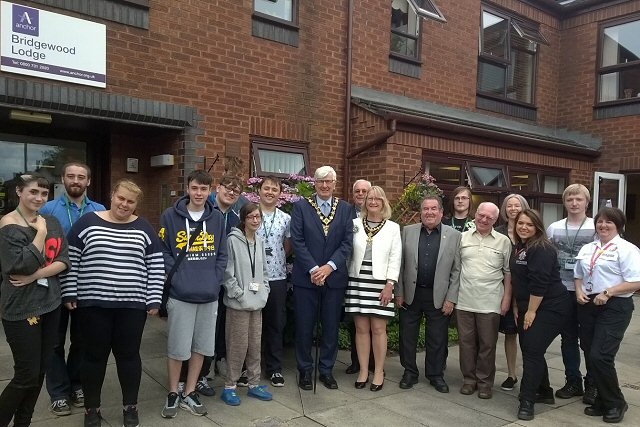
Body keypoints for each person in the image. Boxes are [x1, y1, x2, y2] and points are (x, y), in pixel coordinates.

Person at [61, 179, 165, 427]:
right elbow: (70, 258)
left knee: (129, 357)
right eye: (121, 198)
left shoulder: (144, 228)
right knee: (93, 358)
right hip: (93, 306)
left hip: (131, 307)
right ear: (112, 195)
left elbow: (156, 266)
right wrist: (69, 292)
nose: (124, 204)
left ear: (136, 204)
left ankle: (130, 407)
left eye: (130, 201)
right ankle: (91, 409)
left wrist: (153, 299)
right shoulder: (87, 222)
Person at [0, 174, 70, 427]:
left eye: (44, 193)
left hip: (50, 304)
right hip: (20, 308)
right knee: (26, 374)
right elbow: (19, 265)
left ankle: (23, 423)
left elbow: (64, 260)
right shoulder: (7, 226)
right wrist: (40, 233)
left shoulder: (52, 221)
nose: (39, 198)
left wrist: (37, 275)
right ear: (19, 191)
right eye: (33, 192)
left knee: (39, 372)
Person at [159, 170, 228, 419]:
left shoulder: (217, 218)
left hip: (208, 295)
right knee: (178, 348)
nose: (199, 193)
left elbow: (222, 254)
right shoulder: (170, 216)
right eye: (195, 188)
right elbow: (163, 251)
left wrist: (214, 280)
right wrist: (176, 277)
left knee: (201, 347)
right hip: (180, 294)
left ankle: (189, 391)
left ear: (210, 191)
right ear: (187, 188)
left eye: (204, 189)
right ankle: (173, 392)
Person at [40, 162, 105, 416]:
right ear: (63, 179)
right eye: (71, 176)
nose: (75, 180)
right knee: (54, 341)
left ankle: (77, 384)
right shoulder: (48, 209)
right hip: (54, 286)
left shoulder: (100, 210)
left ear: (88, 181)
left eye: (81, 177)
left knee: (82, 341)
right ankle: (58, 391)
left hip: (87, 285)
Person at [575, 207, 640, 424]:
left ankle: (616, 403)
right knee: (589, 351)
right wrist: (578, 291)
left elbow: (636, 281)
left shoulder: (627, 249)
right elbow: (578, 274)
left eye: (609, 222)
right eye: (600, 222)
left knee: (600, 355)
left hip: (615, 306)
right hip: (589, 305)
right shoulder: (588, 248)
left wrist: (608, 292)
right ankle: (603, 400)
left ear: (619, 225)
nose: (603, 225)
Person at [291, 165, 353, 390]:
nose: (325, 185)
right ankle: (305, 370)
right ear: (314, 184)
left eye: (328, 182)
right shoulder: (301, 207)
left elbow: (347, 243)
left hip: (334, 278)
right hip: (305, 279)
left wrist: (329, 267)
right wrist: (314, 269)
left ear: (335, 184)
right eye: (320, 182)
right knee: (304, 327)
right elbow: (297, 241)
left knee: (330, 328)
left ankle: (326, 370)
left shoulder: (346, 209)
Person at [396, 195, 461, 392]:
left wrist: (451, 298)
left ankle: (435, 375)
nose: (429, 212)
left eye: (434, 209)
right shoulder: (407, 232)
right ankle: (409, 372)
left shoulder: (454, 235)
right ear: (421, 212)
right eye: (426, 209)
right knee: (407, 336)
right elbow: (399, 265)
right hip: (411, 294)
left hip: (438, 296)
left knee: (437, 338)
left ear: (441, 212)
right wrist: (399, 292)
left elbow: (457, 270)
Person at [510, 209, 570, 421]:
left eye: (529, 224)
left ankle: (527, 401)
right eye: (520, 223)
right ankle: (544, 391)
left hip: (550, 306)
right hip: (529, 305)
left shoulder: (542, 248)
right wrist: (519, 306)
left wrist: (532, 311)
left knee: (532, 351)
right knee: (530, 348)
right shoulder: (520, 246)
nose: (523, 227)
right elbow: (519, 280)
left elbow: (540, 283)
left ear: (537, 227)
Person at [344, 186, 401, 391]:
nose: (373, 202)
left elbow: (395, 258)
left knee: (378, 329)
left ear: (384, 201)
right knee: (360, 329)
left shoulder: (393, 228)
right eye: (369, 198)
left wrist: (390, 285)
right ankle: (362, 370)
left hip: (380, 284)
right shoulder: (354, 224)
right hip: (358, 281)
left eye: (377, 198)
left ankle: (378, 371)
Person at [546, 184, 596, 403]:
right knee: (568, 339)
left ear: (587, 202)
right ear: (564, 202)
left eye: (579, 199)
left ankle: (593, 383)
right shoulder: (554, 228)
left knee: (590, 341)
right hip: (562, 292)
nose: (574, 203)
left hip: (588, 293)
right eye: (570, 199)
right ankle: (573, 381)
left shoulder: (597, 227)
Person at [457, 202, 511, 399]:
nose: (484, 219)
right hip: (464, 300)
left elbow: (508, 273)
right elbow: (456, 269)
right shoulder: (462, 238)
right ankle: (469, 380)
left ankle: (485, 382)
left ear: (496, 220)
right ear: (475, 214)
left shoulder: (503, 241)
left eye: (489, 217)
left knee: (487, 344)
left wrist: (506, 299)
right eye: (481, 215)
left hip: (491, 301)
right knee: (466, 343)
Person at [221, 203, 273, 405]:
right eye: (251, 217)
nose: (255, 220)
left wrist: (265, 291)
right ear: (243, 219)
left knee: (254, 345)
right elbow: (227, 273)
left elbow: (264, 271)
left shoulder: (259, 241)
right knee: (237, 346)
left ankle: (253, 384)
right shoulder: (232, 241)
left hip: (257, 303)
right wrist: (239, 294)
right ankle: (229, 386)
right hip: (238, 304)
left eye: (258, 217)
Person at [256, 176, 292, 387]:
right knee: (251, 325)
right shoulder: (251, 214)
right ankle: (248, 369)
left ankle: (274, 368)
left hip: (277, 277)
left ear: (280, 193)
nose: (270, 192)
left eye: (274, 189)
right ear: (259, 191)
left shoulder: (286, 218)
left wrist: (278, 259)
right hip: (253, 277)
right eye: (266, 188)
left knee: (275, 324)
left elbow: (288, 245)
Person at [495, 194, 530, 391]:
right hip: (497, 289)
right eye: (510, 205)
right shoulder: (498, 231)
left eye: (517, 205)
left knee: (520, 335)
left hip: (522, 292)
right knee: (500, 334)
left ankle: (521, 374)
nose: (513, 208)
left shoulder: (527, 232)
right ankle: (504, 373)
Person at [345, 178, 372, 375]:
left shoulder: (378, 214)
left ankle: (373, 364)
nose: (361, 194)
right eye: (358, 191)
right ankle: (356, 362)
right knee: (355, 322)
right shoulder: (345, 213)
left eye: (365, 191)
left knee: (375, 323)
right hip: (351, 274)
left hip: (373, 277)